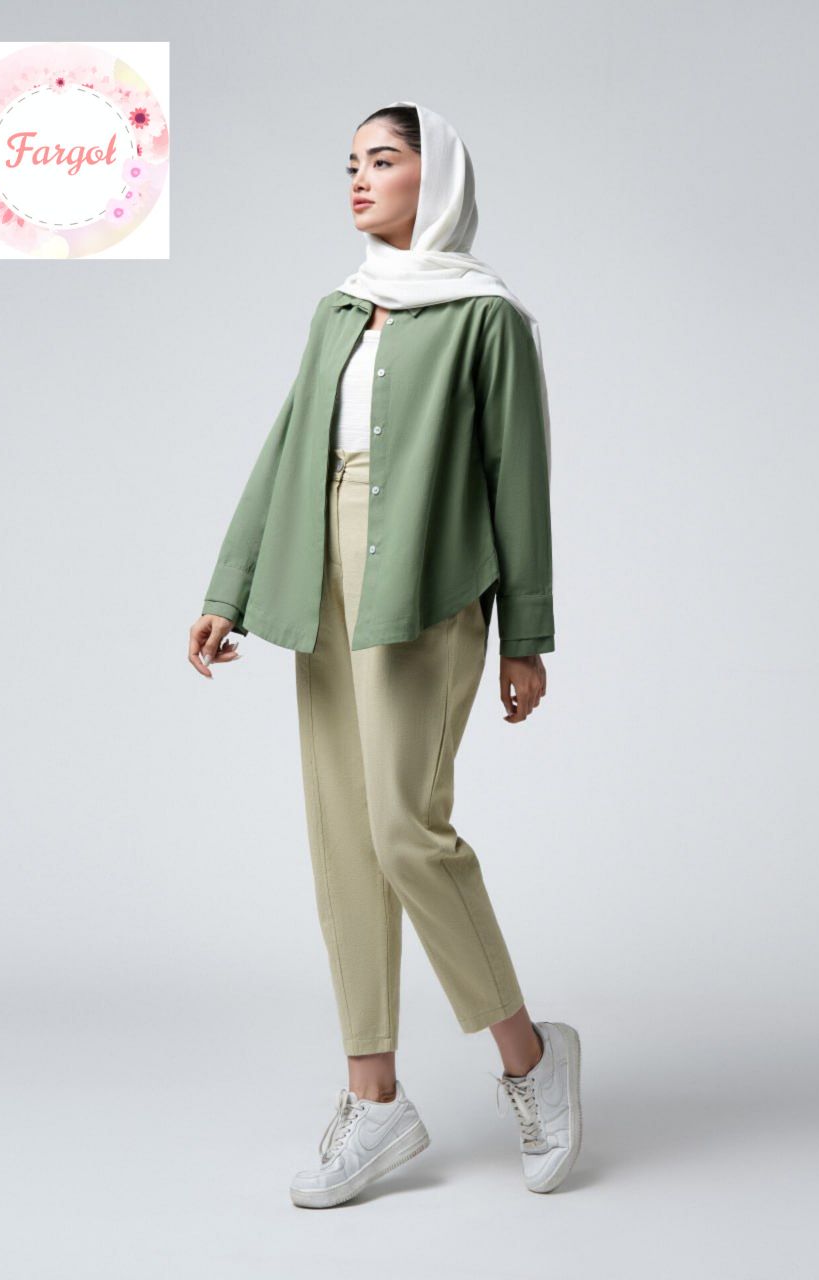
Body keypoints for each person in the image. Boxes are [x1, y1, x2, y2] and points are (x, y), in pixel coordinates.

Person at [188, 100, 582, 1207]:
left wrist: (526, 636)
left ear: (435, 177)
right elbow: (286, 447)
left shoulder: (485, 318)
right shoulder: (339, 309)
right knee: (343, 838)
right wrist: (229, 585)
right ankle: (374, 1099)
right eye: (351, 163)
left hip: (426, 577)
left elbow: (518, 477)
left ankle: (531, 1057)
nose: (359, 179)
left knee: (406, 829)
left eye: (384, 159)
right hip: (316, 569)